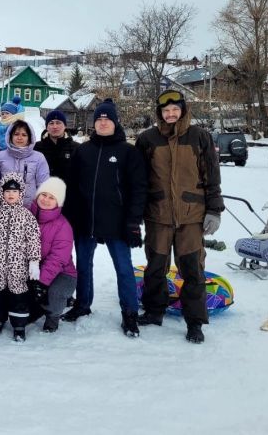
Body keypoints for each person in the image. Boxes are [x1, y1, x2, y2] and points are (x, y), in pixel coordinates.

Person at [135, 89, 224, 344]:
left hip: (191, 217)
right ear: (159, 113)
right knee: (155, 267)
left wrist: (214, 210)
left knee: (193, 270)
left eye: (175, 109)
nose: (171, 114)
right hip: (157, 216)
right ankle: (154, 311)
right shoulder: (148, 139)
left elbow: (212, 178)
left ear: (183, 110)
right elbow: (140, 180)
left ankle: (194, 321)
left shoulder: (200, 137)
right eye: (166, 110)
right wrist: (137, 212)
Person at [62, 99, 147, 338]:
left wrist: (133, 222)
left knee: (123, 267)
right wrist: (71, 216)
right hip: (86, 219)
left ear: (115, 122)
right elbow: (72, 186)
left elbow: (139, 189)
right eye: (98, 119)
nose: (102, 123)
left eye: (106, 119)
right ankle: (82, 304)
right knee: (84, 264)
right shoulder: (83, 151)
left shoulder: (128, 152)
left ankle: (129, 312)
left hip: (117, 221)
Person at [0, 173, 41, 341]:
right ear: (1, 192)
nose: (10, 195)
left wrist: (34, 261)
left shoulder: (26, 215)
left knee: (18, 295)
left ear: (21, 193)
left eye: (14, 191)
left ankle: (19, 325)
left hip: (18, 265)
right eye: (7, 191)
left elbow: (33, 239)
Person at [29, 177, 77, 333]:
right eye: (44, 195)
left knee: (55, 294)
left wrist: (42, 283)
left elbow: (58, 259)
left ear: (59, 202)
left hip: (62, 274)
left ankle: (53, 316)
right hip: (32, 269)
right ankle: (36, 307)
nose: (46, 200)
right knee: (24, 314)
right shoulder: (26, 216)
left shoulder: (63, 226)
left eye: (52, 198)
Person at [0, 119, 50, 208]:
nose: (20, 138)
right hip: (4, 210)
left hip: (30, 209)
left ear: (30, 137)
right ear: (10, 136)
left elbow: (43, 186)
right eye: (16, 134)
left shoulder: (39, 157)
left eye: (24, 135)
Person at [34, 110, 80, 182]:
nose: (55, 126)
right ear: (46, 127)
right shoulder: (37, 147)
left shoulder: (76, 148)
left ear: (65, 126)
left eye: (58, 123)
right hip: (44, 191)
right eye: (51, 123)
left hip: (67, 192)